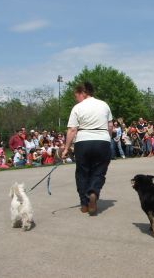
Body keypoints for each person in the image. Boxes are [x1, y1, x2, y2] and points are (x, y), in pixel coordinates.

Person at [62, 81, 113, 215]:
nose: (76, 98)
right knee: (99, 171)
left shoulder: (77, 108)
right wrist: (106, 139)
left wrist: (66, 148)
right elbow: (110, 126)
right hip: (102, 140)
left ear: (83, 93)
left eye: (76, 95)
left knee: (82, 172)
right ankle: (93, 193)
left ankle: (84, 204)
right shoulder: (104, 105)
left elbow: (72, 129)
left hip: (83, 141)